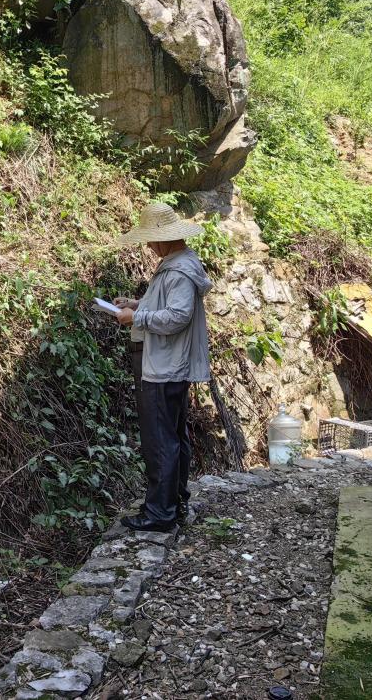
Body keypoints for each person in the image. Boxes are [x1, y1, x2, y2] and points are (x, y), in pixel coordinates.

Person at [112, 202, 213, 532]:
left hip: (164, 365)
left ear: (165, 238)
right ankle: (174, 500)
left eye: (150, 239)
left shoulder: (179, 270)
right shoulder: (177, 264)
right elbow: (167, 307)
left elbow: (177, 317)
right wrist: (135, 304)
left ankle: (159, 513)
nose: (148, 246)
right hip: (168, 363)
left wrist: (136, 318)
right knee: (173, 436)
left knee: (160, 439)